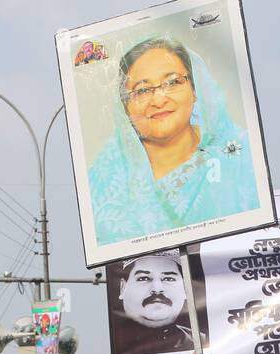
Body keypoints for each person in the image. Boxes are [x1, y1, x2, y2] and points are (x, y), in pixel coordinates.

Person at [87, 37, 258, 246]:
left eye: (173, 82)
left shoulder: (242, 155)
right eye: (141, 90)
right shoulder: (102, 182)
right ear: (125, 107)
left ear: (195, 91)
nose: (159, 100)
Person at [109, 253, 208, 354]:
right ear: (123, 288)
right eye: (144, 278)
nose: (157, 289)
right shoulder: (111, 346)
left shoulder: (202, 344)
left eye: (168, 279)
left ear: (185, 289)